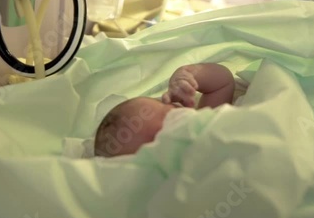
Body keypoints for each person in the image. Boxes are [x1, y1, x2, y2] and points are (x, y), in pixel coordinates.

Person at [94, 63, 235, 157]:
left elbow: (223, 82)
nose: (174, 129)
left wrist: (189, 75)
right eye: (157, 141)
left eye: (170, 113)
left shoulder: (206, 123)